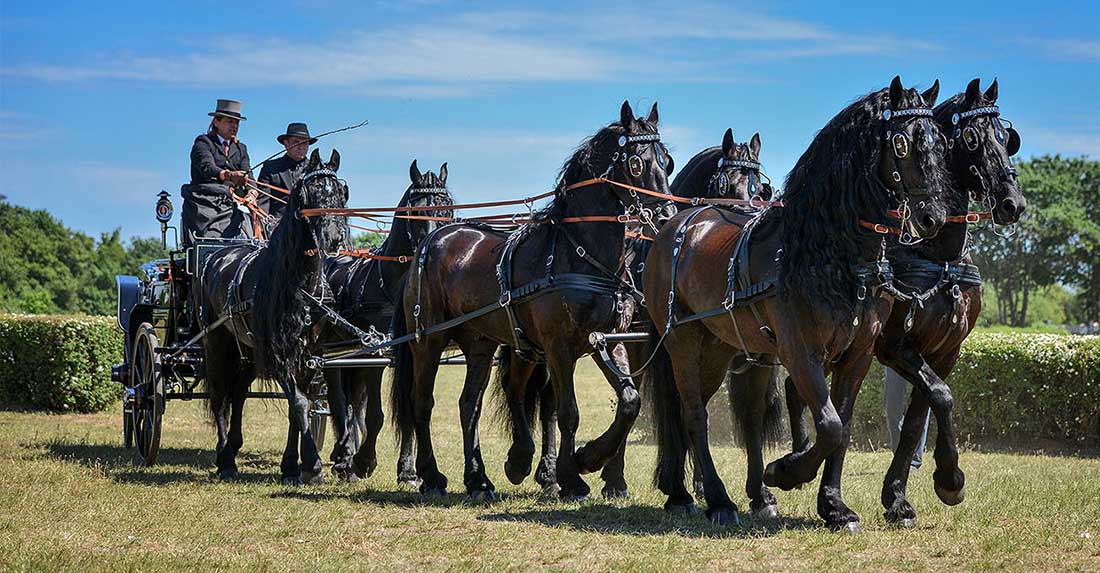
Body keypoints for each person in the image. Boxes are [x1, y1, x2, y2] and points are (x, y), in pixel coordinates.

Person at [181, 99, 254, 244]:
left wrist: (252, 193)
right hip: (205, 206)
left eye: (237, 122)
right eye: (230, 121)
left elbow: (249, 175)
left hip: (231, 206)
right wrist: (228, 175)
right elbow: (207, 167)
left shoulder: (241, 149)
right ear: (216, 122)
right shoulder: (203, 143)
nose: (234, 126)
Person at [257, 122, 316, 226]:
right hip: (277, 228)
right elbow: (262, 204)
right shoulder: (270, 168)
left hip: (307, 229)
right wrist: (264, 227)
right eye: (296, 142)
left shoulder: (315, 171)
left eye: (304, 143)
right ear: (286, 144)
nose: (301, 147)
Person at [883, 366, 930, 469]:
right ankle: (900, 456)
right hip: (894, 356)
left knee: (922, 405)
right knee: (892, 409)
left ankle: (914, 461)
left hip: (923, 359)